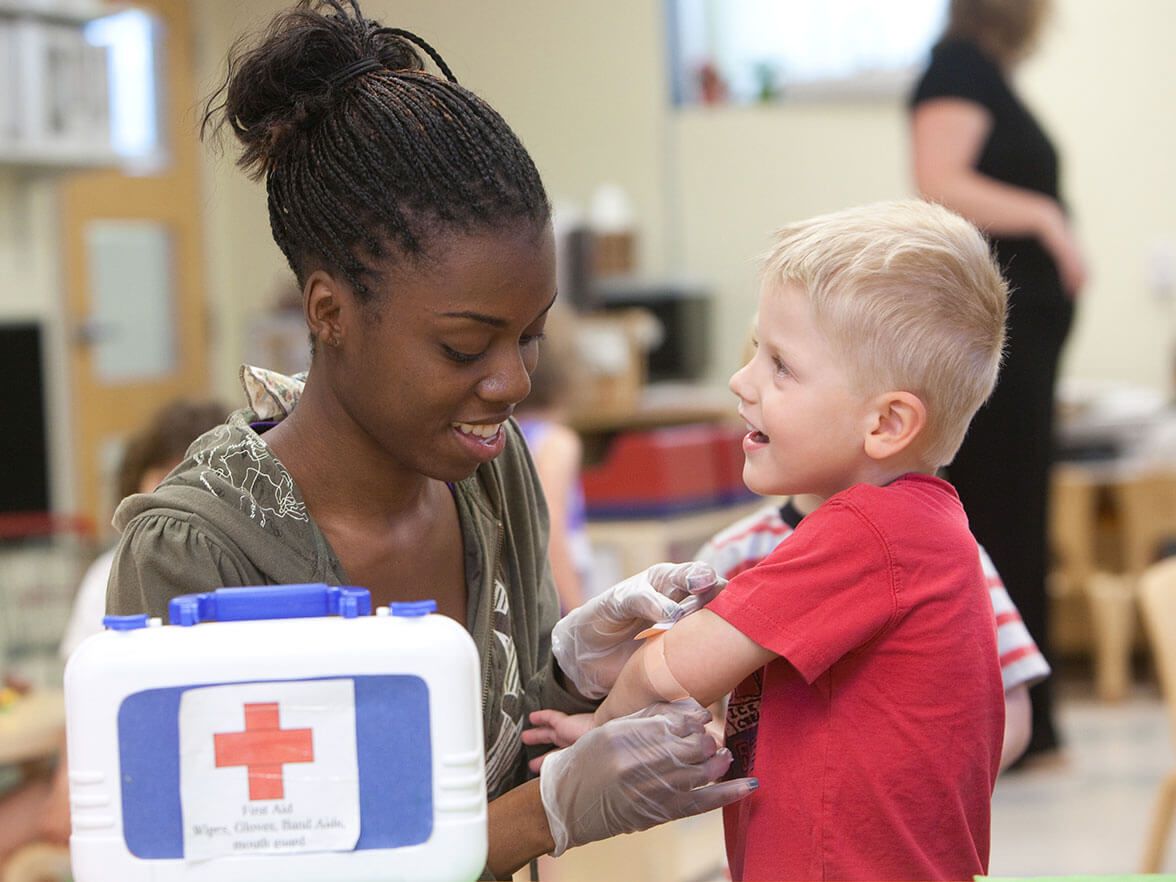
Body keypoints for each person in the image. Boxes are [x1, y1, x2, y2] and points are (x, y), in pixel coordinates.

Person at [105, 2, 753, 878]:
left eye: (530, 335)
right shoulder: (198, 554)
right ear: (329, 312)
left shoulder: (487, 472)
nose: (513, 382)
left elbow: (485, 749)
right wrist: (545, 814)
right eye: (463, 346)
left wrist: (578, 674)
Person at [526, 199, 1009, 881]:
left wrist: (602, 733)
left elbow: (666, 671)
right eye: (756, 351)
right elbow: (810, 738)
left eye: (780, 365)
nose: (741, 380)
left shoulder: (870, 531)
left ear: (888, 422)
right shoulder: (915, 531)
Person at [909, 0, 1085, 760]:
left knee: (1017, 519)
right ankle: (1003, 725)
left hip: (1027, 340)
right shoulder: (956, 69)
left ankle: (1029, 721)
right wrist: (1047, 217)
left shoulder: (986, 75)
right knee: (1000, 520)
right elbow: (939, 181)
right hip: (997, 342)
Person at [0, 399, 226, 873]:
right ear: (136, 481)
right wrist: (65, 783)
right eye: (164, 470)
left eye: (194, 471)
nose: (177, 488)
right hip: (102, 766)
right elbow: (78, 700)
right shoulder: (108, 572)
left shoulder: (234, 569)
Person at [694, 493, 1050, 771]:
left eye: (786, 391)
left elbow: (1010, 697)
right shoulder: (733, 554)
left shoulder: (948, 548)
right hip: (767, 840)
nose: (747, 395)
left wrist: (948, 792)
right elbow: (690, 700)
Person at [515, 309, 594, 611]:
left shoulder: (502, 437)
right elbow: (548, 526)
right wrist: (579, 613)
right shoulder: (555, 441)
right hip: (552, 598)